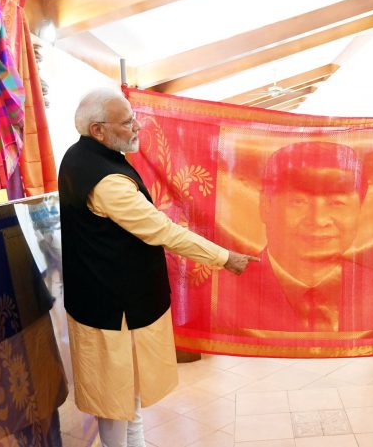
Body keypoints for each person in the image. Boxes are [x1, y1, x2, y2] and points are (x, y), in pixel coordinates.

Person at [58, 88, 258, 447]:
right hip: (110, 309)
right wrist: (225, 258)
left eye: (134, 118)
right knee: (114, 400)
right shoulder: (106, 181)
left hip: (108, 300)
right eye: (127, 122)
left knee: (125, 390)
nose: (136, 128)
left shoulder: (83, 156)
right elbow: (162, 232)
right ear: (99, 129)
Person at [216, 141, 373, 332]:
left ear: (360, 209)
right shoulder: (224, 291)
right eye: (299, 202)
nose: (318, 220)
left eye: (337, 203)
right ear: (265, 205)